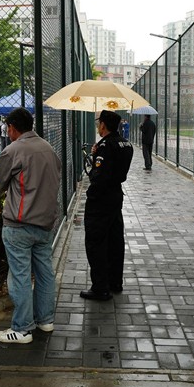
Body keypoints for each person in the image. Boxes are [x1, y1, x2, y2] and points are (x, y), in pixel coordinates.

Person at [0, 107, 61, 344]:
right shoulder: (49, 149)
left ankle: (21, 329)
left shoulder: (14, 149)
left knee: (19, 275)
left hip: (19, 224)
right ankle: (45, 320)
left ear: (12, 128)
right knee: (44, 273)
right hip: (45, 222)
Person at [80, 110, 134, 301]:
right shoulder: (126, 144)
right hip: (115, 197)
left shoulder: (105, 146)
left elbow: (99, 177)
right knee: (115, 241)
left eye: (98, 123)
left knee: (96, 242)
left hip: (100, 201)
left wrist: (96, 159)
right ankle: (115, 282)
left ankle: (100, 287)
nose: (97, 126)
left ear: (103, 125)